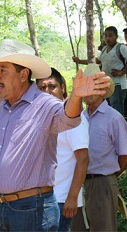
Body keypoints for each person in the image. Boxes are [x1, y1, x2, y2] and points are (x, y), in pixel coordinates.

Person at [0, 39, 111, 231]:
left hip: (32, 209)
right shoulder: (2, 110)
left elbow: (67, 117)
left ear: (23, 74)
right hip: (3, 207)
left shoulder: (44, 104)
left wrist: (76, 96)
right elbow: (2, 154)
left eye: (3, 70)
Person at [71, 63, 127, 231]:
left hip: (102, 183)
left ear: (103, 90)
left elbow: (124, 156)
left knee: (103, 228)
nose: (90, 91)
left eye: (95, 86)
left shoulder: (114, 118)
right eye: (86, 86)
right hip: (78, 184)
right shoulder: (78, 118)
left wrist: (107, 176)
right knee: (78, 227)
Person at [36, 67, 90, 232]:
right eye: (42, 88)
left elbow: (83, 160)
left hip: (60, 199)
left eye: (52, 86)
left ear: (63, 88)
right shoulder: (39, 118)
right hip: (39, 199)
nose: (47, 91)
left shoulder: (73, 118)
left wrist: (72, 197)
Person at [73, 26, 127, 116]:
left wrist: (122, 72)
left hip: (118, 84)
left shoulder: (120, 47)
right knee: (108, 109)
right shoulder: (104, 49)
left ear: (116, 36)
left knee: (117, 110)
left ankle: (118, 128)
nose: (108, 38)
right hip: (107, 85)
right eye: (106, 36)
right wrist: (79, 61)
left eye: (110, 36)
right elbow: (96, 61)